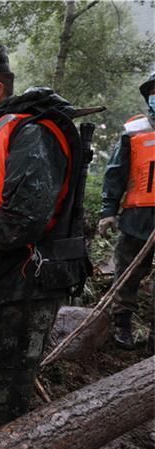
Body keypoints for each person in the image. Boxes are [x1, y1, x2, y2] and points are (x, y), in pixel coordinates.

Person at [0, 45, 90, 428]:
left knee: (4, 394)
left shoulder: (31, 134)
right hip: (2, 274)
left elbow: (24, 218)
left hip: (30, 279)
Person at [97, 73, 154, 352]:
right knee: (128, 272)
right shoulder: (135, 132)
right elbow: (115, 174)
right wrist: (108, 211)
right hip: (136, 219)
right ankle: (121, 325)